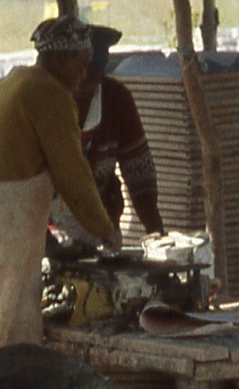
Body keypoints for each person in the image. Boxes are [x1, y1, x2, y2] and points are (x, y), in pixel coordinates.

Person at [0, 15, 119, 364]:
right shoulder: (50, 95)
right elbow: (74, 179)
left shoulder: (14, 83)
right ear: (62, 58)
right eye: (82, 64)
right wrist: (106, 232)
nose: (84, 74)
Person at [69, 25, 166, 240]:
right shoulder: (45, 102)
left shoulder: (116, 98)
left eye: (92, 74)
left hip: (102, 223)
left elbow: (138, 173)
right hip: (46, 225)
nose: (83, 82)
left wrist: (156, 233)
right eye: (78, 73)